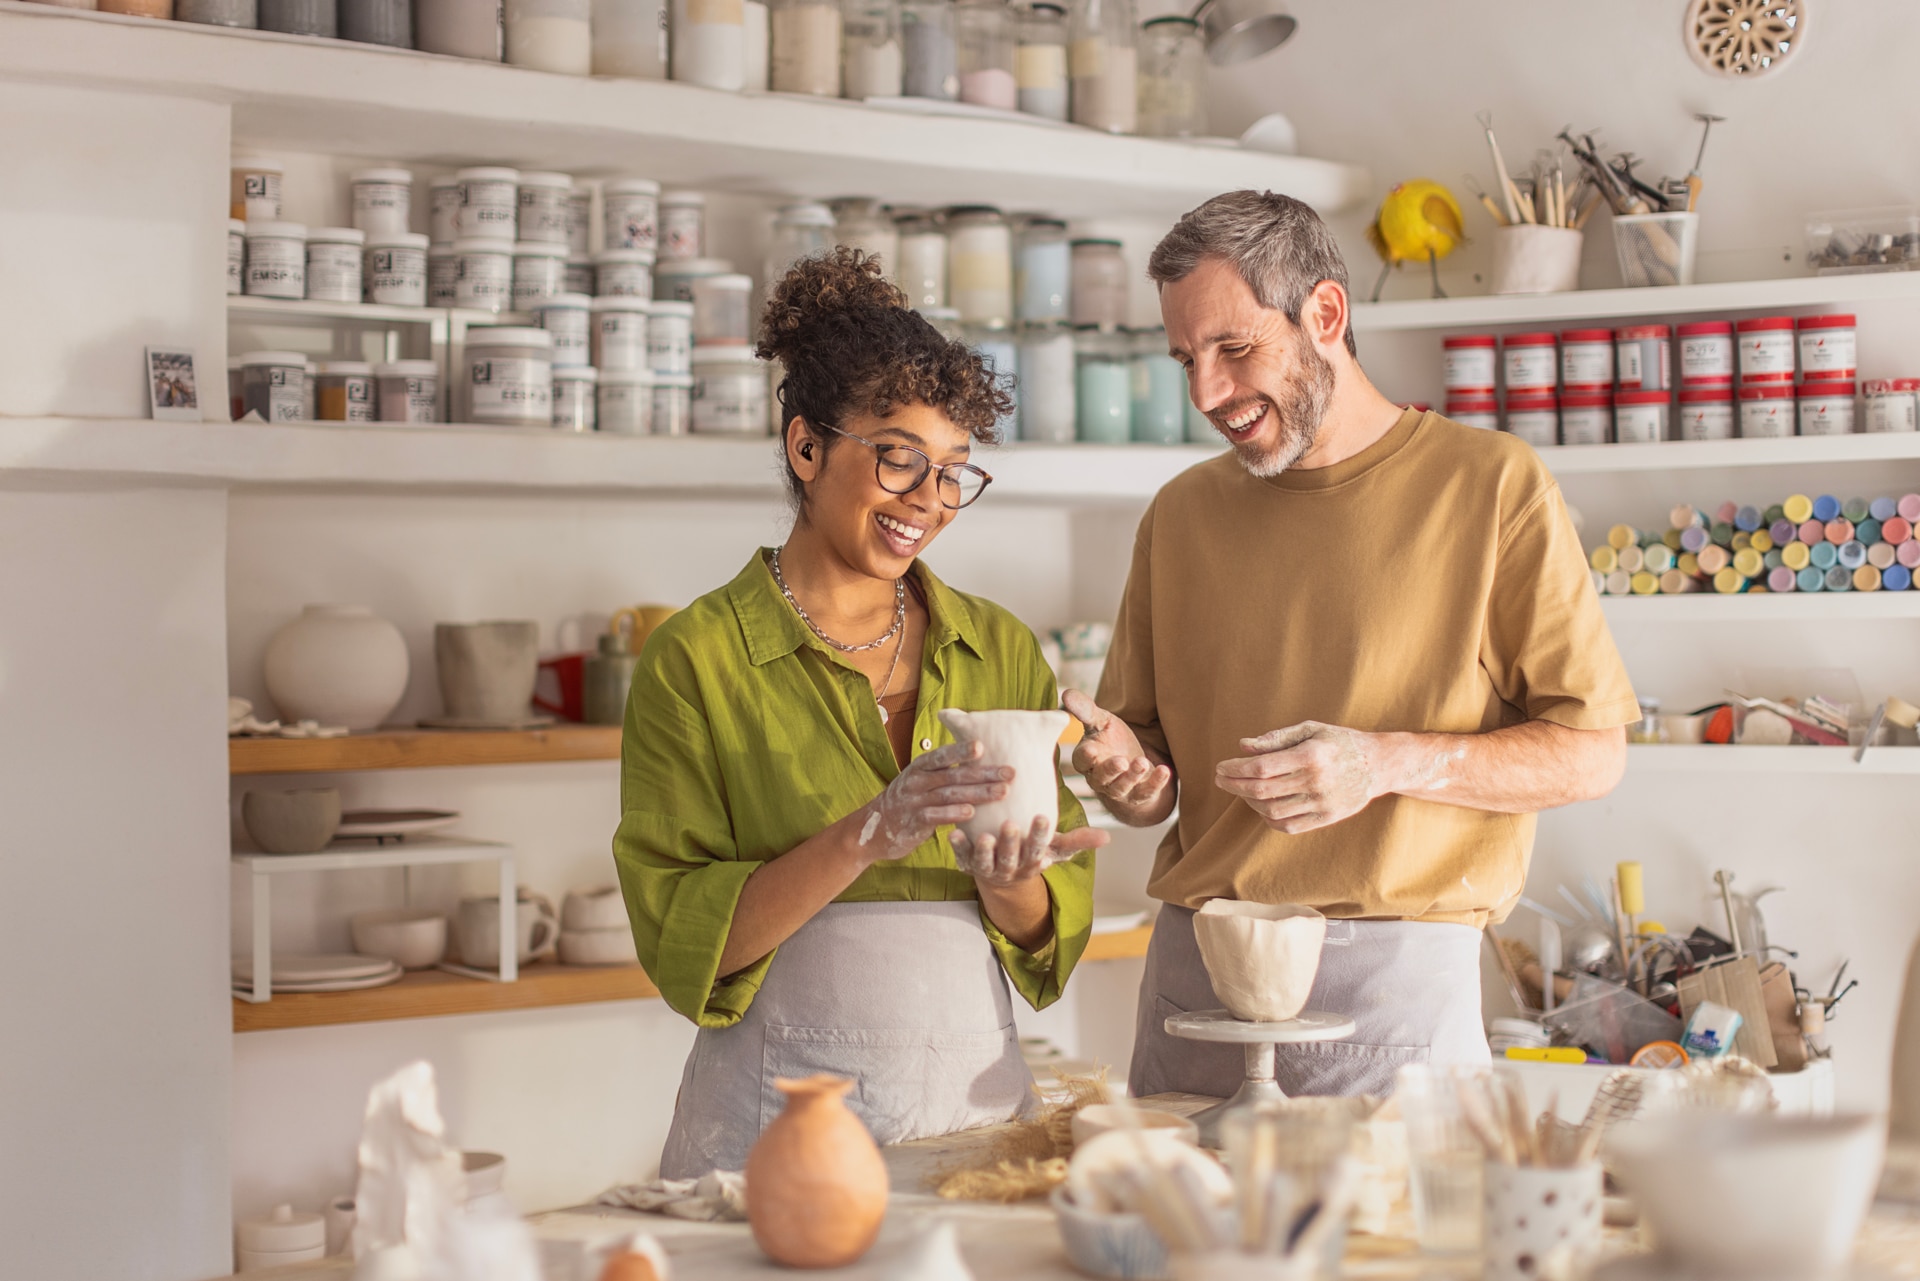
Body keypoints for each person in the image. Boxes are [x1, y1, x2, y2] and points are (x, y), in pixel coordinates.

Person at [1066, 190, 1637, 1099]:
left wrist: (1384, 762)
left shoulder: (1492, 487)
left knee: (1389, 1245)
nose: (1206, 393)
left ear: (1324, 313)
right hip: (1194, 970)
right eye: (1186, 360)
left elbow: (1591, 754)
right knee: (1171, 1241)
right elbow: (1157, 775)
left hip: (1392, 988)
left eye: (1234, 348)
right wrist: (1131, 778)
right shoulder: (1180, 515)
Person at [615, 248, 1106, 1177]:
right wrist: (871, 831)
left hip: (975, 1120)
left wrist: (1009, 877)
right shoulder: (698, 660)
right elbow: (687, 938)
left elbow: (1045, 934)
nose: (930, 500)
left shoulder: (995, 647)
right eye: (899, 459)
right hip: (775, 1127)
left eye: (955, 471)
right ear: (807, 445)